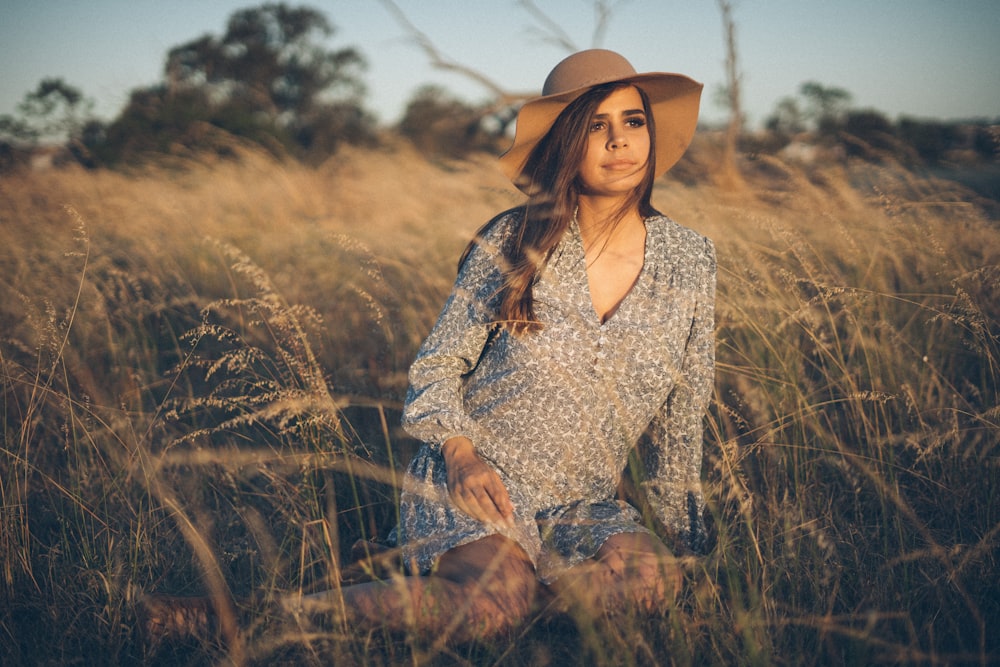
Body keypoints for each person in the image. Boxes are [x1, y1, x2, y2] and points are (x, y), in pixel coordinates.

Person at [142, 48, 715, 647]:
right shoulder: (514, 240)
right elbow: (439, 364)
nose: (619, 142)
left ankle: (413, 586)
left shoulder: (691, 260)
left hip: (584, 503)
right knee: (491, 610)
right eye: (596, 126)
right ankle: (232, 619)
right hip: (479, 480)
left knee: (655, 585)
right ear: (565, 146)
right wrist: (461, 455)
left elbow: (683, 416)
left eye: (633, 121)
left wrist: (685, 549)